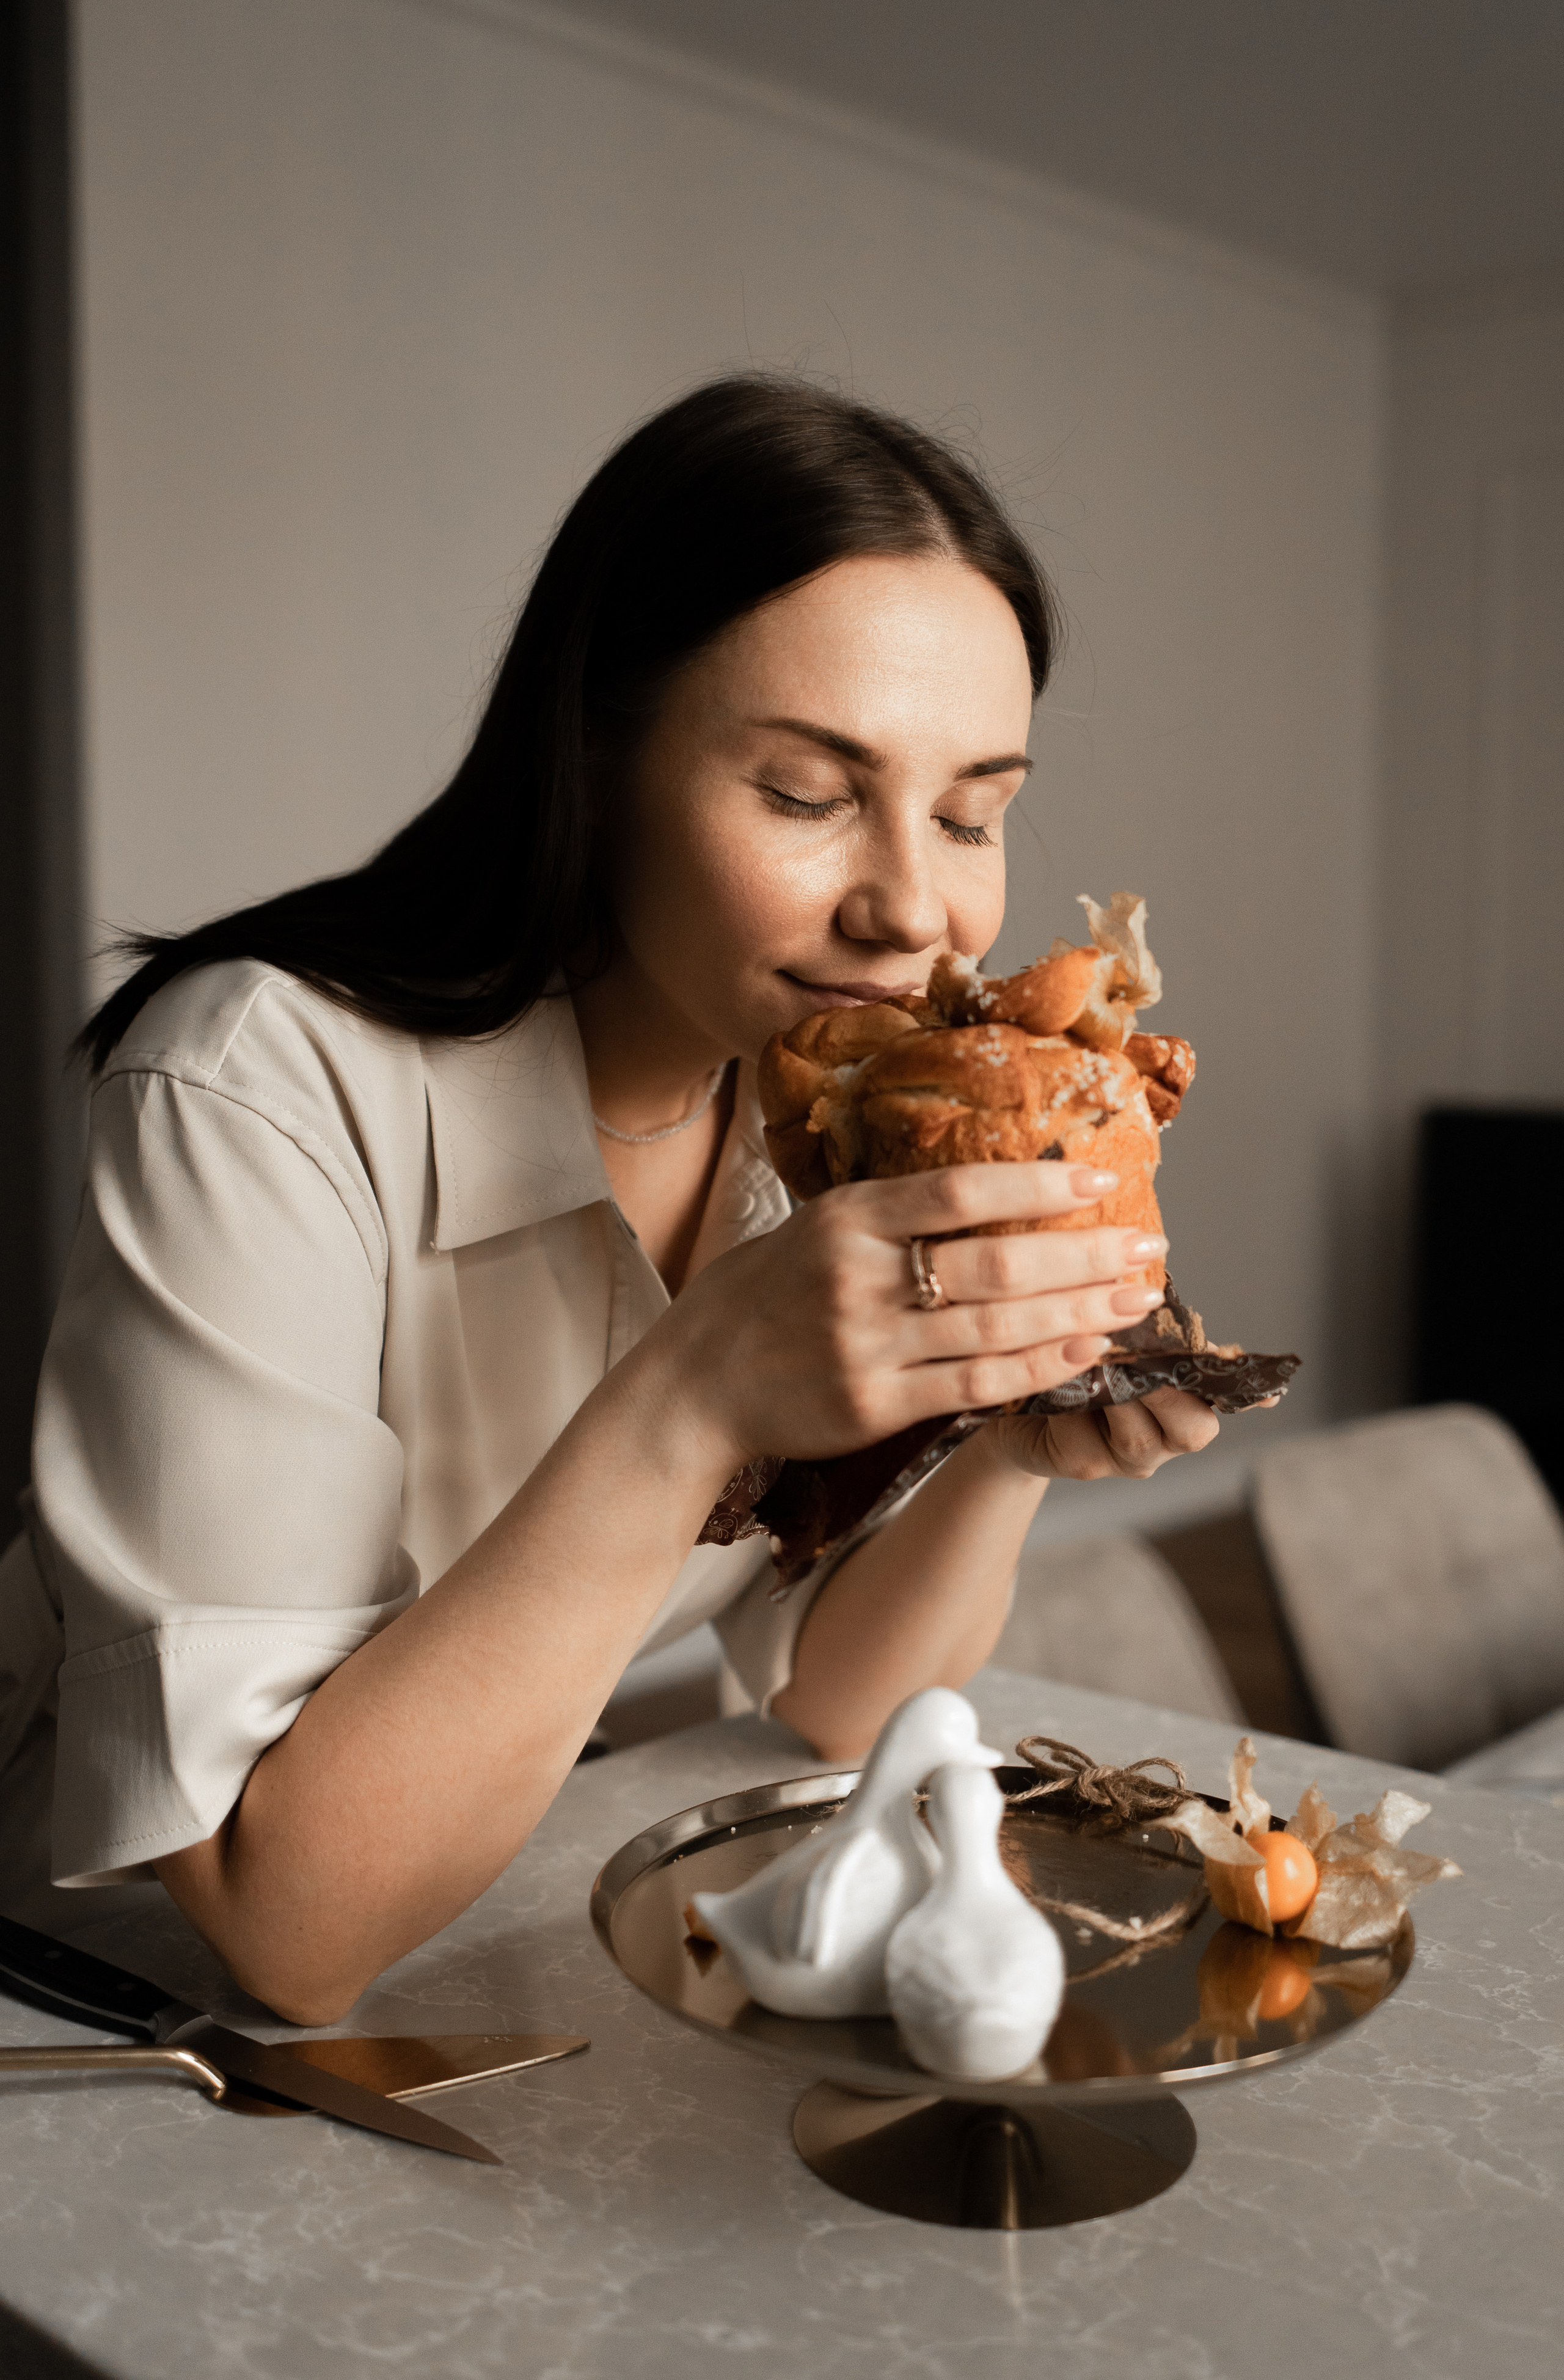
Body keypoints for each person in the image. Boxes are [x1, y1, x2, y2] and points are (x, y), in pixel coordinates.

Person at [0, 377, 1221, 2024]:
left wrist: (1005, 1436)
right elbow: (280, 1924)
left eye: (972, 813)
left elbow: (845, 1709)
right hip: (98, 2010)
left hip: (470, 1942)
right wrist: (696, 1389)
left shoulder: (811, 1105)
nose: (918, 914)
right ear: (593, 752)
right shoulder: (255, 1085)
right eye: (805, 793)